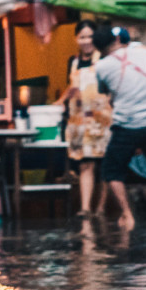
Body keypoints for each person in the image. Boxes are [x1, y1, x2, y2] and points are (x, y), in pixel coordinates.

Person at [91, 25, 146, 231]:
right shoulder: (141, 53)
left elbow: (105, 91)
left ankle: (127, 215)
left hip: (126, 124)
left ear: (98, 47)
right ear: (116, 40)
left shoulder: (101, 67)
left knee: (112, 171)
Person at [62, 19, 113, 216]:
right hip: (78, 121)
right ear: (76, 39)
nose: (86, 41)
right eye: (82, 37)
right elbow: (71, 88)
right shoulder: (72, 62)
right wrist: (60, 102)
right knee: (85, 163)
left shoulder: (104, 60)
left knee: (103, 164)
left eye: (89, 36)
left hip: (101, 119)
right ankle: (85, 208)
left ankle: (100, 207)